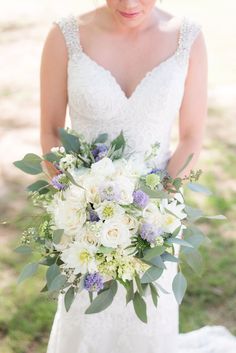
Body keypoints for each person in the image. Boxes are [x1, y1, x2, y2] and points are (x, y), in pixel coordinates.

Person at [40, 1, 236, 352]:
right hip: (84, 219)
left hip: (157, 221)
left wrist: (154, 211)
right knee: (84, 320)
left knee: (149, 325)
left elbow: (191, 136)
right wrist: (81, 207)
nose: (130, 4)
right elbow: (52, 134)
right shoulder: (64, 36)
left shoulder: (188, 39)